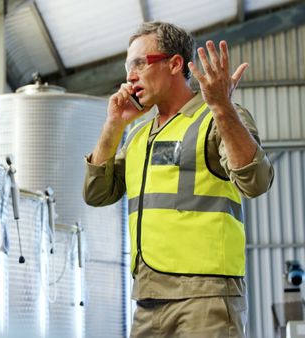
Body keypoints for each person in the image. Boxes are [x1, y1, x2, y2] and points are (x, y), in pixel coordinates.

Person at [82, 22, 274, 337]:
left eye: (140, 64)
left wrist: (223, 107)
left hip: (205, 295)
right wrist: (113, 124)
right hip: (147, 298)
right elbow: (96, 193)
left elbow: (256, 181)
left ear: (174, 64)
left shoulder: (217, 118)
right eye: (128, 67)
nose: (130, 76)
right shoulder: (137, 134)